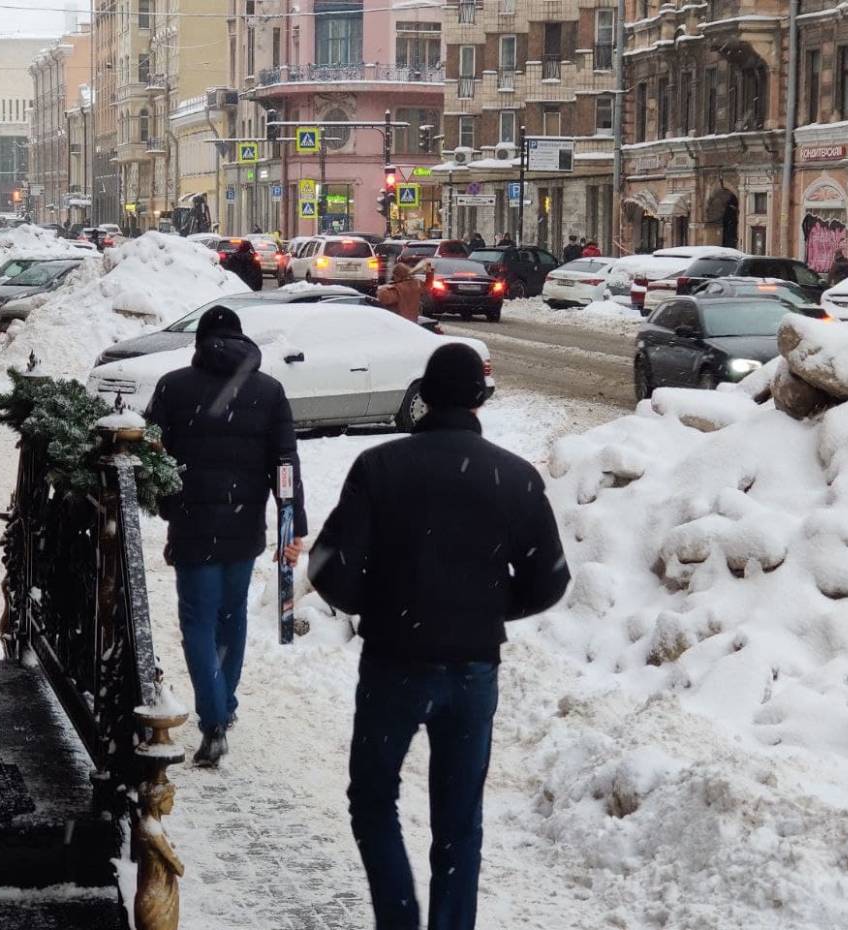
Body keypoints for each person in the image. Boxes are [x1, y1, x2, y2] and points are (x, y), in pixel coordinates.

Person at [309, 343, 570, 930]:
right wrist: (486, 608)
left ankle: (398, 919)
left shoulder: (379, 467)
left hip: (392, 663)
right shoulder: (515, 476)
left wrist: (375, 604)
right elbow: (550, 581)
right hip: (473, 668)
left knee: (373, 801)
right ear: (480, 398)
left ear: (424, 396)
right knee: (459, 821)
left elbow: (329, 565)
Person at [145, 306, 307, 768]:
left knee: (197, 622)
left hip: (193, 527)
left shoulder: (173, 387)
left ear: (200, 342)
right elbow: (285, 464)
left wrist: (166, 503)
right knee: (231, 617)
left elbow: (154, 453)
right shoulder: (269, 391)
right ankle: (224, 706)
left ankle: (213, 721)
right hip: (244, 525)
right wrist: (290, 525)